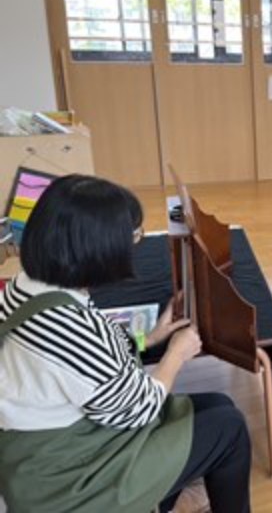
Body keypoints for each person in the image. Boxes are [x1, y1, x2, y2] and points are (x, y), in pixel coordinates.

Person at [0, 175, 251, 513]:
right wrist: (176, 355)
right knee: (229, 429)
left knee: (218, 405)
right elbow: (139, 409)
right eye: (132, 236)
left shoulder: (26, 285)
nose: (134, 246)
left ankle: (161, 500)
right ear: (99, 249)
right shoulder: (68, 326)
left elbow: (91, 367)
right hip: (66, 481)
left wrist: (152, 337)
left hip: (52, 446)